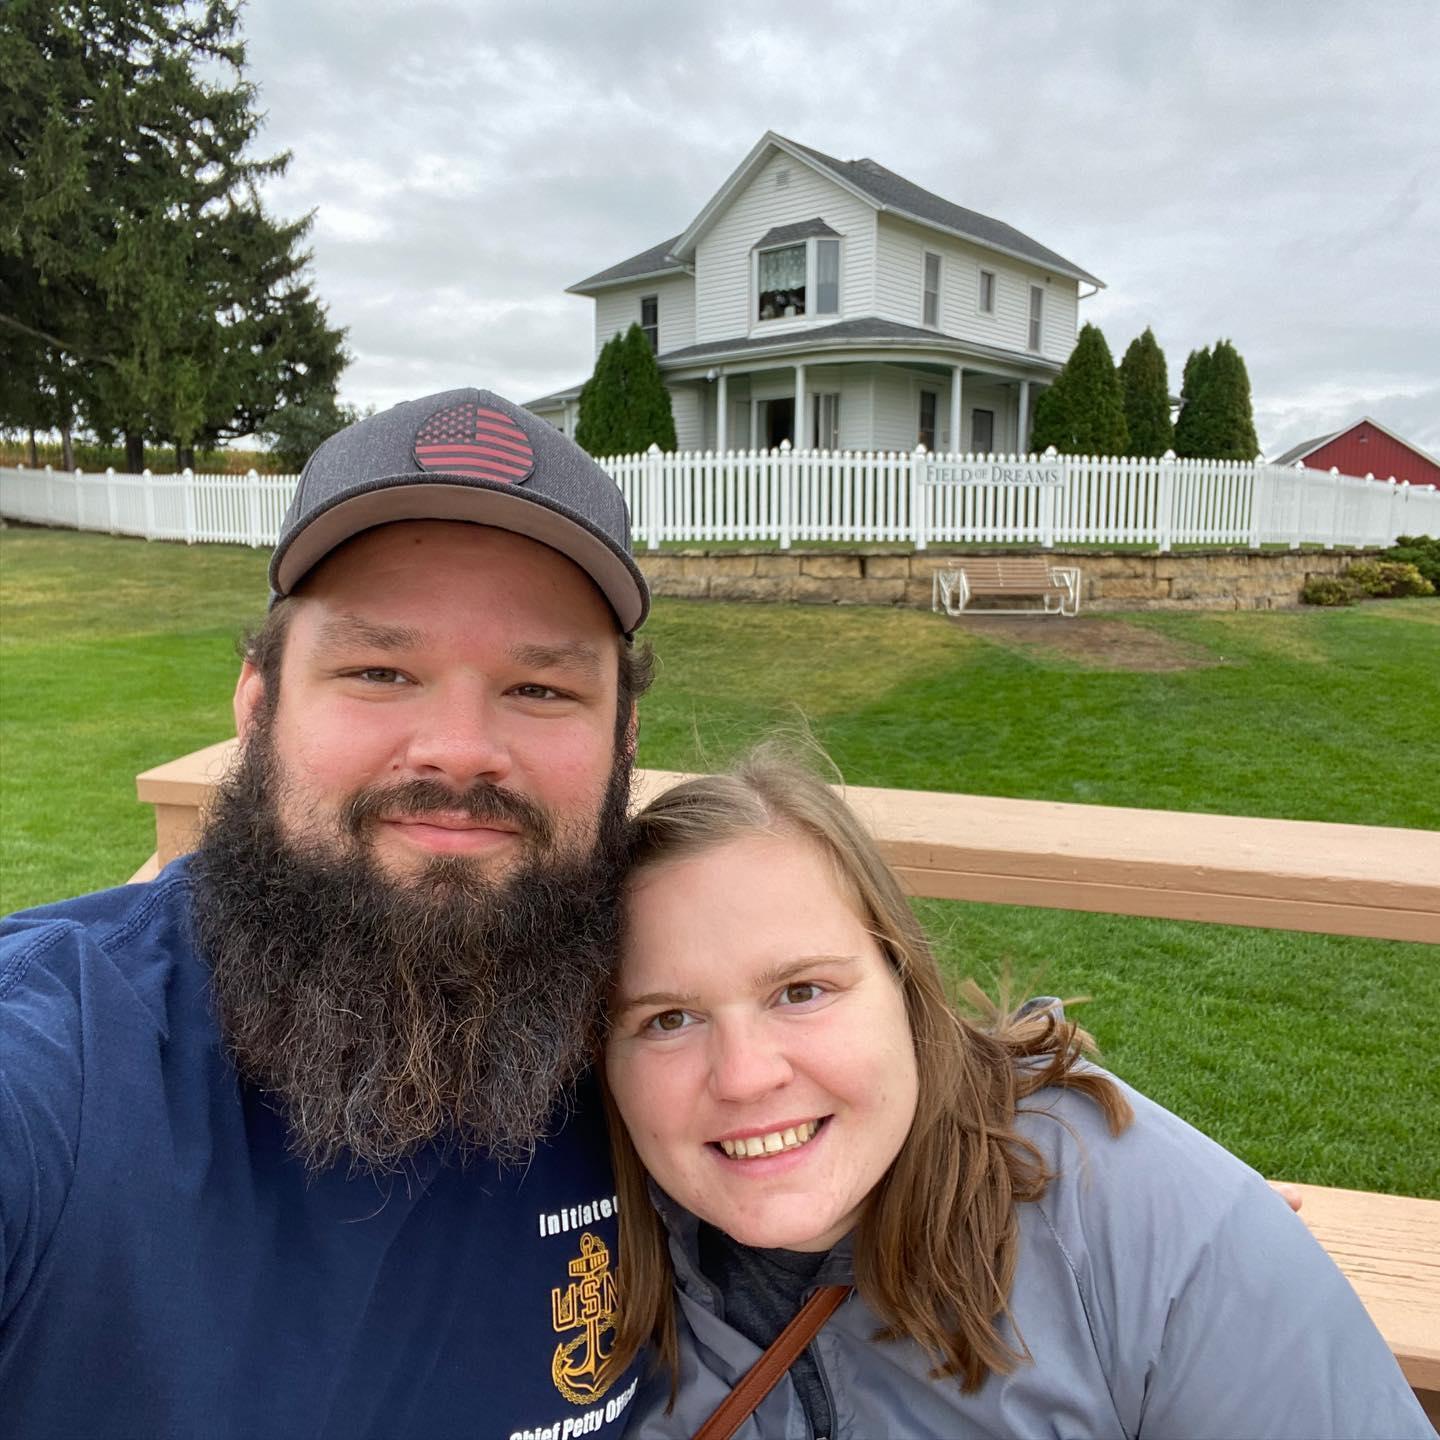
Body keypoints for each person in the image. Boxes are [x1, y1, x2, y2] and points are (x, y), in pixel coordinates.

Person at [0, 390, 653, 1438]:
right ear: (257, 706)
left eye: (539, 689)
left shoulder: (687, 1049)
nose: (457, 748)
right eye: (380, 670)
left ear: (622, 742)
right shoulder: (60, 1066)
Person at [602, 753, 1432, 1438]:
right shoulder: (565, 1243)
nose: (745, 1074)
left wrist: (1187, 1233)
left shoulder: (1133, 1224)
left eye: (802, 991)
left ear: (904, 986)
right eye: (669, 1018)